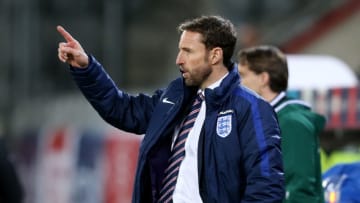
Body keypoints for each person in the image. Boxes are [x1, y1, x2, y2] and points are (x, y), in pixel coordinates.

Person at [57, 15, 284, 202]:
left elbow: (265, 186)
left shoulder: (251, 108)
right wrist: (86, 68)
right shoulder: (175, 96)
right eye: (179, 50)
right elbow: (122, 109)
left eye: (188, 51)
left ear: (215, 55)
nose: (179, 59)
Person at [237, 45, 325, 203]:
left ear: (263, 79)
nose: (237, 82)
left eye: (242, 75)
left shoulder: (292, 123)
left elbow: (299, 190)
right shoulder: (263, 120)